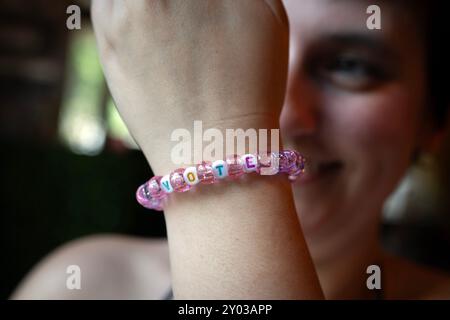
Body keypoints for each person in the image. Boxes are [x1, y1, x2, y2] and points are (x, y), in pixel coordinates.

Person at [12, 0, 450, 299]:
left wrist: (220, 140)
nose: (280, 115)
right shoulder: (87, 285)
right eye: (238, 64)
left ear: (435, 120)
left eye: (349, 65)